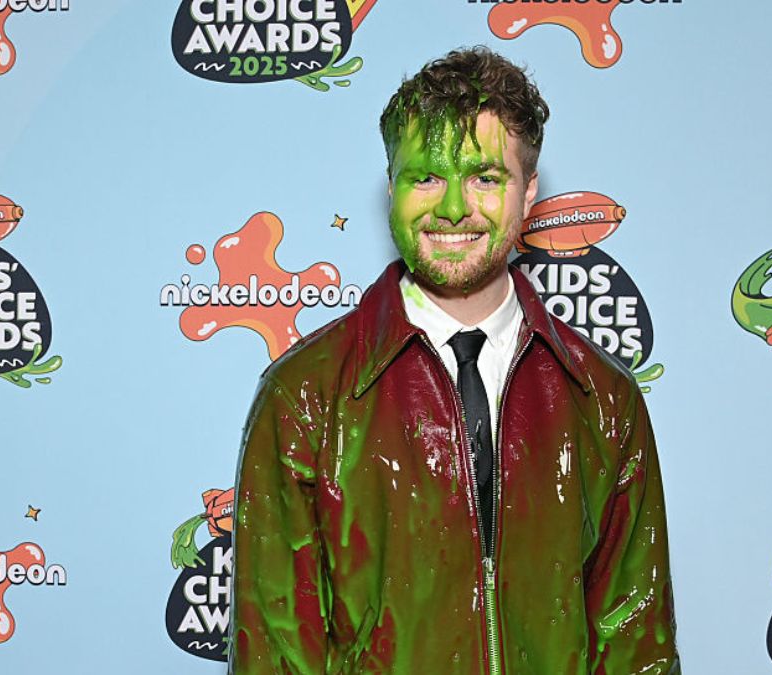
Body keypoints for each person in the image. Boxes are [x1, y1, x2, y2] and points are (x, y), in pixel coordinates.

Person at [229, 47, 680, 675]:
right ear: (391, 188)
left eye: (485, 178)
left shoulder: (602, 397)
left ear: (529, 193)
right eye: (426, 178)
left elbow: (637, 647)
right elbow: (274, 655)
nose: (451, 209)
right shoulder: (305, 394)